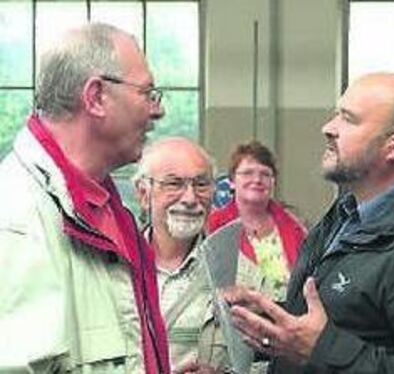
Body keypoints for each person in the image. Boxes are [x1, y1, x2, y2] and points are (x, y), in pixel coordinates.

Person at [222, 72, 394, 373]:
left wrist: (323, 350)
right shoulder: (344, 218)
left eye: (349, 119)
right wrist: (268, 318)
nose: (328, 128)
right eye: (335, 115)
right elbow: (347, 319)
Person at [0, 23, 169, 372]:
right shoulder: (18, 218)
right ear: (95, 97)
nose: (157, 111)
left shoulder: (100, 205)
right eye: (147, 93)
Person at [134, 137, 233, 373]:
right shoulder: (113, 271)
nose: (189, 198)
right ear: (143, 194)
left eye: (201, 184)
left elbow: (266, 363)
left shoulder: (237, 274)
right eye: (173, 184)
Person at [206, 140, 307, 302]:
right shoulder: (213, 227)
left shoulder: (295, 227)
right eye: (247, 173)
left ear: (273, 181)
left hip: (286, 318)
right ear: (231, 182)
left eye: (265, 174)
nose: (257, 180)